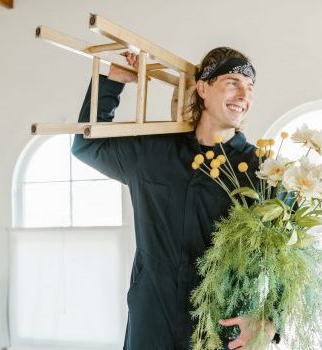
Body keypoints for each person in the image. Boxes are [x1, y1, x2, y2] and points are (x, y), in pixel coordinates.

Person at [72, 47, 278, 350]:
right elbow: (87, 147)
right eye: (233, 82)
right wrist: (114, 80)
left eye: (250, 88)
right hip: (150, 320)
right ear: (203, 88)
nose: (243, 95)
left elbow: (291, 250)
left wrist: (270, 318)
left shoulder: (263, 171)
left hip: (219, 324)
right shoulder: (153, 153)